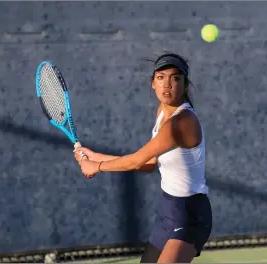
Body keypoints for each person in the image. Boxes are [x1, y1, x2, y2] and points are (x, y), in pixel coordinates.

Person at [74, 53, 212, 263]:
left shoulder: (182, 122)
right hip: (168, 210)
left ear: (184, 86)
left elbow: (137, 160)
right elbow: (148, 163)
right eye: (160, 77)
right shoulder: (162, 113)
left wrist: (97, 166)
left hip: (191, 214)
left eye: (175, 78)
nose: (167, 84)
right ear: (152, 84)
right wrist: (95, 156)